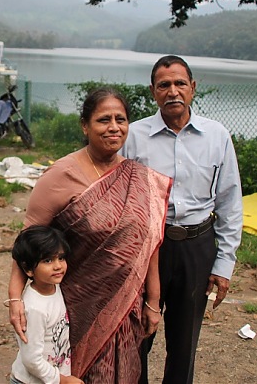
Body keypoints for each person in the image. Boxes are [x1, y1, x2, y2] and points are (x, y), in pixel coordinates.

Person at [9, 87, 172, 382]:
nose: (113, 127)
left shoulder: (140, 178)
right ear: (85, 125)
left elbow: (150, 245)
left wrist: (153, 303)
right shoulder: (62, 174)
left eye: (120, 119)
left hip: (126, 309)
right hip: (77, 309)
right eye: (103, 120)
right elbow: (27, 242)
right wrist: (15, 300)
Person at [121, 55, 243, 384]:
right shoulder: (134, 136)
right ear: (153, 92)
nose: (172, 91)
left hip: (196, 247)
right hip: (146, 249)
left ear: (193, 88)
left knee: (184, 341)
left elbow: (230, 202)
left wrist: (223, 264)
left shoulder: (216, 136)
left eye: (180, 83)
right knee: (137, 335)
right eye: (164, 85)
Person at [8, 225, 83, 384]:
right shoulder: (34, 308)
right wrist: (63, 380)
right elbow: (31, 360)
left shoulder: (55, 288)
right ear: (28, 269)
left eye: (61, 258)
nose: (57, 266)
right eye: (47, 260)